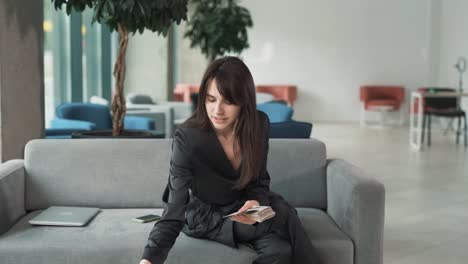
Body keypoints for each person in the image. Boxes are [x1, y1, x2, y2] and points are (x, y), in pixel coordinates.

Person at [139, 57, 319, 264]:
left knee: (280, 250)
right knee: (284, 214)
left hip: (243, 209)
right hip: (207, 215)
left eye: (228, 101)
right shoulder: (187, 138)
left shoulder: (259, 124)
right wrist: (149, 259)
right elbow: (173, 210)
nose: (217, 111)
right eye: (211, 99)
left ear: (244, 100)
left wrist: (256, 202)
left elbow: (259, 182)